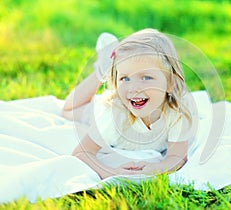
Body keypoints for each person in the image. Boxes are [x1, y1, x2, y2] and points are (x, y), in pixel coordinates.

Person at [62, 28, 197, 179]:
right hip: (102, 110)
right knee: (68, 110)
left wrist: (157, 168)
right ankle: (103, 71)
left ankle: (115, 70)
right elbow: (81, 152)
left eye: (146, 77)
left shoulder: (178, 109)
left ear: (170, 82)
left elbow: (177, 156)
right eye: (125, 78)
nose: (133, 88)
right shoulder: (114, 113)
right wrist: (112, 172)